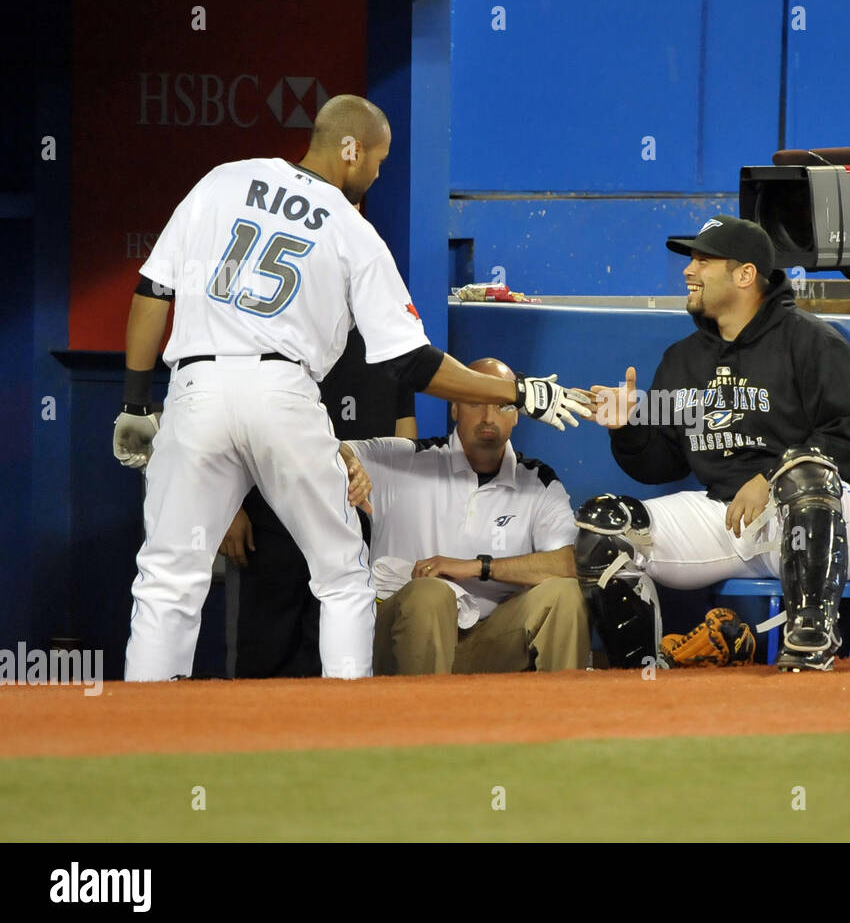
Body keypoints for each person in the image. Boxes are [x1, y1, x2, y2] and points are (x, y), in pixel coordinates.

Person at [111, 94, 589, 682]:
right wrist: (516, 394)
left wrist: (136, 401)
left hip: (195, 385)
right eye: (379, 161)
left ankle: (143, 734)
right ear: (351, 148)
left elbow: (153, 293)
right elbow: (413, 364)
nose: (378, 173)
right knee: (340, 573)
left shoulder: (223, 180)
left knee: (167, 576)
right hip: (280, 389)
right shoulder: (351, 229)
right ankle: (349, 724)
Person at [579, 216, 850, 672]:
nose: (689, 270)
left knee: (804, 473)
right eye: (690, 259)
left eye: (704, 260)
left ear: (745, 275)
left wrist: (772, 479)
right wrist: (626, 428)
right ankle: (641, 672)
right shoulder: (683, 360)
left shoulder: (812, 342)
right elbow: (659, 466)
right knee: (606, 526)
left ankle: (808, 649)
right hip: (731, 517)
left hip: (835, 520)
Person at [345, 358, 587, 675]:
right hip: (401, 642)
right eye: (475, 402)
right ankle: (417, 720)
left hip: (489, 641)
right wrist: (349, 464)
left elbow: (568, 563)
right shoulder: (405, 461)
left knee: (564, 593)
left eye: (502, 405)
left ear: (517, 414)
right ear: (455, 409)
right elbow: (328, 449)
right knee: (431, 592)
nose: (488, 417)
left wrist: (477, 567)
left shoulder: (538, 481)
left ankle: (566, 719)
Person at [220, 326, 418, 678]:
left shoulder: (388, 345)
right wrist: (228, 508)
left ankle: (331, 730)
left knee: (332, 646)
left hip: (352, 523)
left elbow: (404, 443)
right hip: (266, 524)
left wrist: (387, 507)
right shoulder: (275, 334)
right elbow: (230, 423)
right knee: (261, 655)